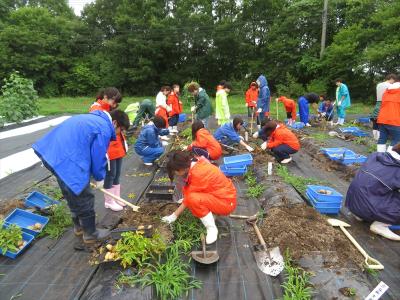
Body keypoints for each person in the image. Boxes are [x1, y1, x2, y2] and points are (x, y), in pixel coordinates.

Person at [32, 109, 130, 244]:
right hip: (68, 158)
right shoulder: (104, 128)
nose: (120, 133)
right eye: (121, 129)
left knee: (70, 191)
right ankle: (91, 233)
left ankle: (79, 227)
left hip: (51, 153)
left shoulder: (92, 119)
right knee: (83, 194)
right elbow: (98, 155)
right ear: (114, 123)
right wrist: (99, 177)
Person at [161, 151, 237, 244]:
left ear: (181, 169)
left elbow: (189, 197)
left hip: (226, 203)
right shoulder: (197, 162)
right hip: (224, 196)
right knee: (191, 197)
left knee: (193, 199)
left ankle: (212, 229)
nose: (176, 174)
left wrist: (174, 216)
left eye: (175, 172)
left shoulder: (198, 174)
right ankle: (212, 212)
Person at [345, 143, 400, 241]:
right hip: (368, 207)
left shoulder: (375, 156)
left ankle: (360, 214)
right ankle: (380, 225)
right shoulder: (397, 168)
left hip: (352, 203)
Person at [88, 88, 128, 212]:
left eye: (116, 103)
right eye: (113, 102)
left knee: (117, 174)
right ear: (105, 97)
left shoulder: (109, 109)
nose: (114, 105)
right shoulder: (96, 109)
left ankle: (116, 197)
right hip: (108, 147)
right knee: (110, 174)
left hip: (117, 145)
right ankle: (109, 201)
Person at [372, 74, 398, 140]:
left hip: (378, 102)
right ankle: (380, 137)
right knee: (382, 120)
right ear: (391, 79)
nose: (393, 82)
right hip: (385, 103)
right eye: (393, 81)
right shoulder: (390, 86)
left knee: (375, 118)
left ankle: (375, 137)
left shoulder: (379, 84)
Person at [376, 81, 400, 152]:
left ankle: (380, 156)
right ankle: (390, 158)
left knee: (382, 138)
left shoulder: (386, 92)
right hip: (395, 120)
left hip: (382, 119)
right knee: (397, 139)